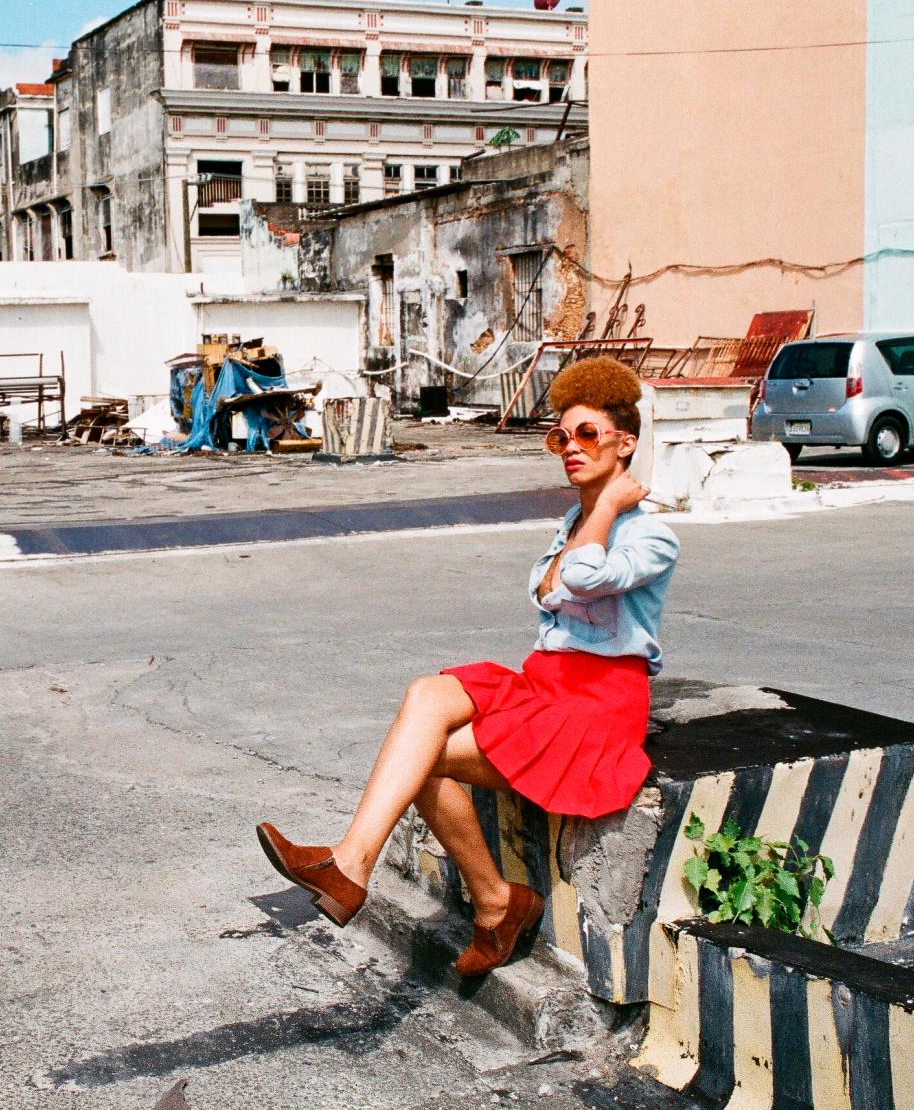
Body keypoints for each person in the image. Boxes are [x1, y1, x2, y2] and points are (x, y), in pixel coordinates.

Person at [255, 357, 679, 976]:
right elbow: (543, 589)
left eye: (587, 434)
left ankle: (493, 901)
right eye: (560, 436)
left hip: (597, 708)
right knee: (427, 697)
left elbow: (579, 579)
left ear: (625, 443)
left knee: (421, 758)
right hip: (546, 684)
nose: (569, 448)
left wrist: (610, 506)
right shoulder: (575, 523)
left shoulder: (651, 537)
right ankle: (357, 865)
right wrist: (591, 523)